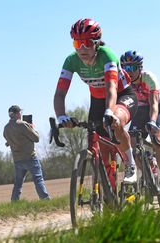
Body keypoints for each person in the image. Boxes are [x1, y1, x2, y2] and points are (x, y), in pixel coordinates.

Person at [53, 18, 138, 183]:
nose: (82, 48)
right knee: (101, 144)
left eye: (86, 43)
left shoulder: (107, 56)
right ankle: (109, 195)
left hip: (121, 95)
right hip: (98, 100)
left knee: (116, 122)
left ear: (97, 43)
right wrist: (61, 116)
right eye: (77, 44)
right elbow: (60, 93)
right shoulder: (71, 60)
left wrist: (110, 111)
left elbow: (111, 88)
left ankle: (130, 165)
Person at [120, 50, 160, 195]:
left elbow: (154, 104)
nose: (128, 72)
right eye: (125, 68)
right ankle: (148, 169)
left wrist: (153, 122)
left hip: (159, 110)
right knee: (132, 144)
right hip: (139, 111)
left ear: (139, 68)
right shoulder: (123, 81)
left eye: (131, 68)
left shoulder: (148, 78)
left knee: (157, 139)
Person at [3, 105, 50, 201]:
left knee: (18, 183)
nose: (21, 114)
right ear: (17, 113)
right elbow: (36, 139)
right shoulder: (22, 124)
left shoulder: (6, 128)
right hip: (30, 158)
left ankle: (14, 203)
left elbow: (8, 142)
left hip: (17, 160)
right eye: (20, 112)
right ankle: (45, 200)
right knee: (38, 179)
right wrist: (32, 128)